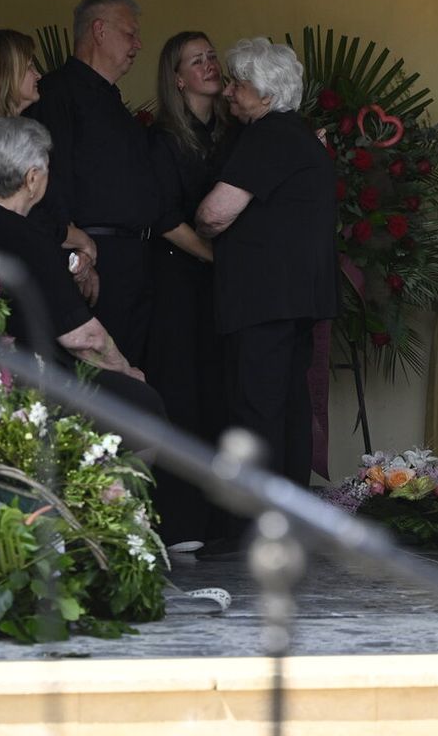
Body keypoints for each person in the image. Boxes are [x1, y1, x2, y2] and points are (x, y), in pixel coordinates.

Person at [197, 38, 336, 505]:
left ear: (267, 95)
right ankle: (289, 512)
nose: (227, 91)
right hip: (295, 300)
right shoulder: (300, 136)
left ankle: (255, 521)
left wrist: (196, 227)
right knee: (290, 409)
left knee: (257, 412)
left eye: (238, 84)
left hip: (262, 300)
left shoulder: (268, 135)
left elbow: (215, 214)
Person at [26, 0, 162, 379]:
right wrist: (77, 256)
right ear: (99, 31)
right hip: (95, 260)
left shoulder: (111, 99)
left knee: (130, 376)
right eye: (130, 34)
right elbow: (49, 182)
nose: (138, 45)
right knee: (102, 381)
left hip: (135, 259)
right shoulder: (58, 93)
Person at [145, 30, 233, 551]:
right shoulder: (162, 140)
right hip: (178, 280)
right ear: (177, 79)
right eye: (196, 60)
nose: (209, 65)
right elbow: (163, 219)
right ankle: (179, 523)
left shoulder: (229, 134)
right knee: (181, 395)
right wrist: (217, 258)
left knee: (219, 394)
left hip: (220, 287)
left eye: (211, 56)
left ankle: (220, 523)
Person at [0, 117, 144, 382]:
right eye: (46, 170)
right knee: (143, 397)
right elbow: (83, 338)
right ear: (32, 178)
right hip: (34, 375)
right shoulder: (29, 240)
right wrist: (126, 371)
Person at [0, 28, 98, 302]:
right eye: (29, 66)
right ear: (4, 75)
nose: (38, 75)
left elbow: (51, 209)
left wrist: (78, 258)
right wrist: (80, 241)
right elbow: (16, 221)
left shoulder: (27, 134)